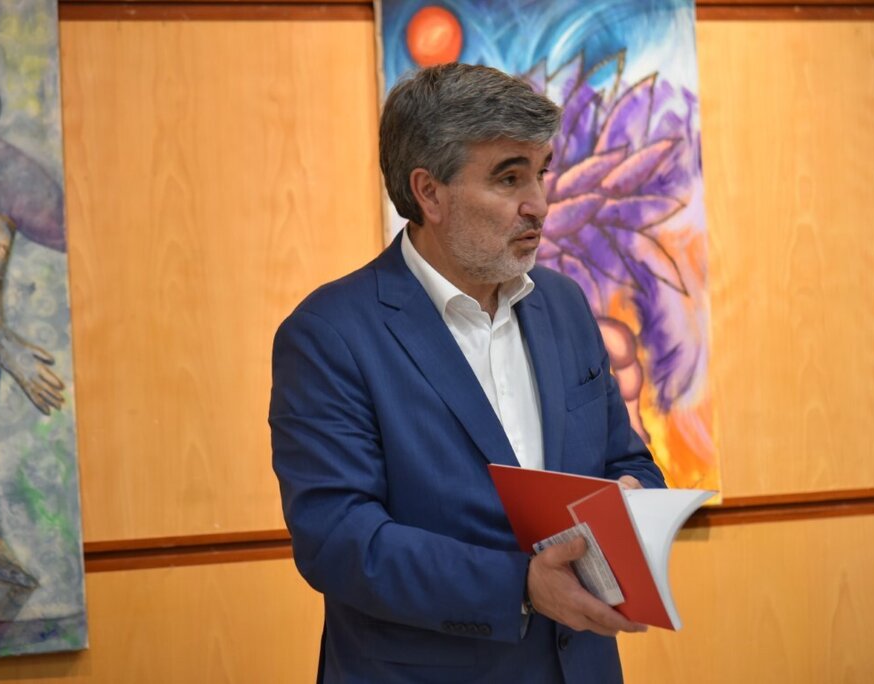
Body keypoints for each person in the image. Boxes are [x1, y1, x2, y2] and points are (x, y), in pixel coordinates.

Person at [270, 62, 666, 684]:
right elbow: (339, 538)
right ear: (429, 192)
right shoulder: (330, 333)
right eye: (509, 178)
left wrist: (634, 501)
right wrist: (521, 585)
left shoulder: (564, 304)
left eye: (541, 172)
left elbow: (628, 459)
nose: (539, 204)